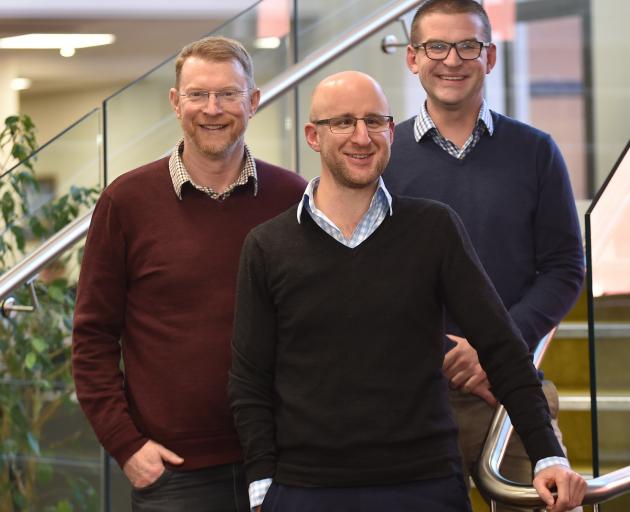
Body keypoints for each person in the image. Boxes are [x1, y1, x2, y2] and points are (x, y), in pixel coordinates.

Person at [228, 70, 586, 512]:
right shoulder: (267, 245)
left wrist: (546, 454)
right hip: (306, 488)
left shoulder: (433, 228)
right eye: (343, 122)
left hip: (423, 484)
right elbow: (250, 381)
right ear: (312, 136)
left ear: (391, 132)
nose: (362, 136)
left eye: (375, 121)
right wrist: (263, 489)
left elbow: (502, 347)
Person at [71, 36, 306, 511]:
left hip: (287, 461)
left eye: (229, 94)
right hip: (175, 474)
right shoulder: (127, 202)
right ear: (176, 103)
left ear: (254, 101)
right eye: (198, 94)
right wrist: (127, 446)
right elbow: (92, 338)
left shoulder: (294, 198)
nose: (212, 109)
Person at [382, 1, 585, 510]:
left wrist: (496, 348)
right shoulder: (380, 156)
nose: (452, 59)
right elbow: (365, 278)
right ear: (412, 57)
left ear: (489, 57)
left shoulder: (535, 151)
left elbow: (564, 268)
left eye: (467, 46)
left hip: (511, 395)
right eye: (436, 46)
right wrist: (444, 350)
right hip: (409, 399)